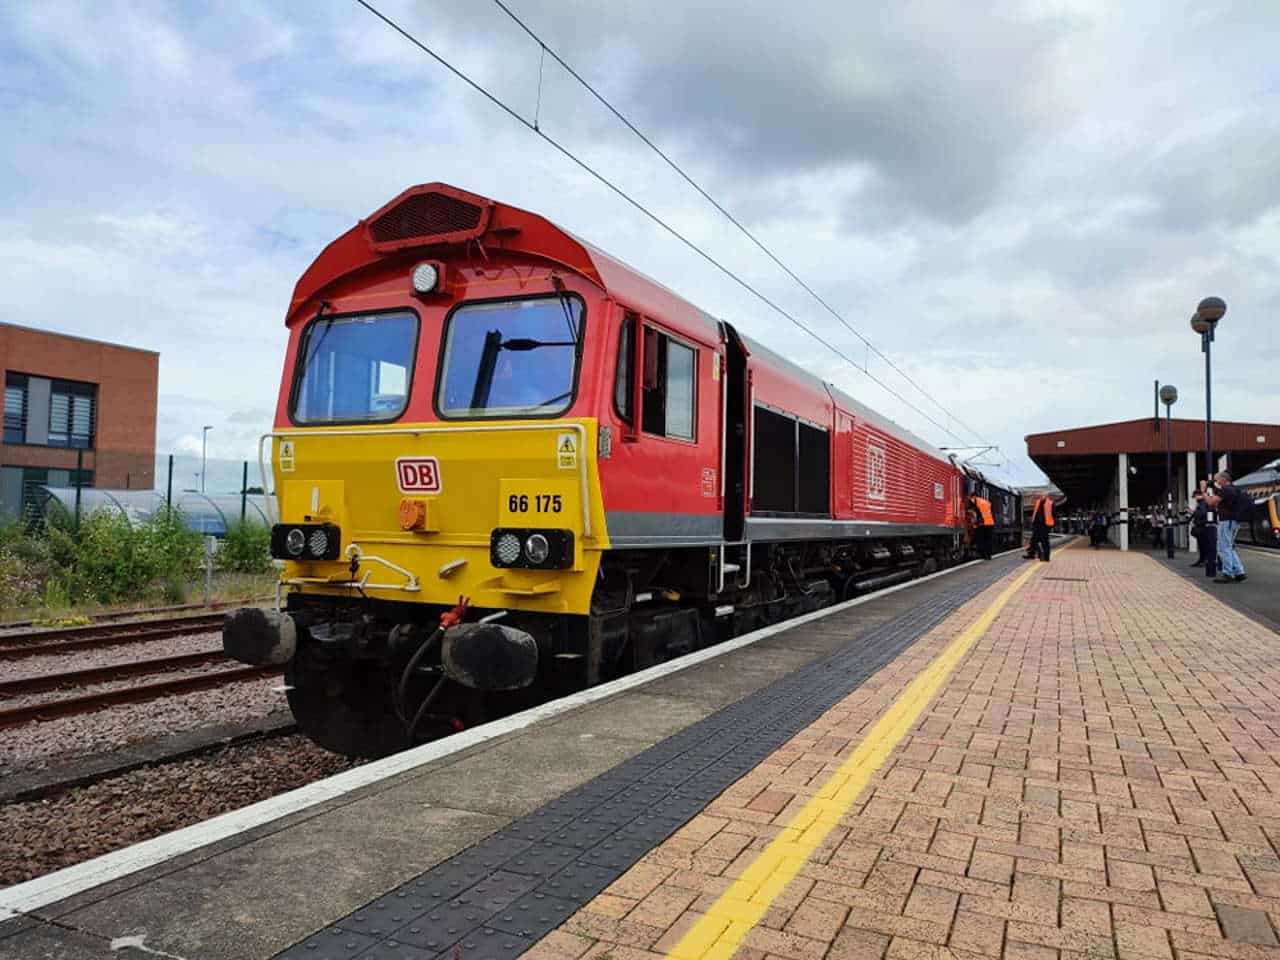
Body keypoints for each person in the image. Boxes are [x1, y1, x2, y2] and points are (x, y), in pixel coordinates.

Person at [1207, 471, 1248, 583]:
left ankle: (1228, 573)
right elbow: (1218, 502)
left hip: (1226, 521)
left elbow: (1211, 502)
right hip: (1234, 521)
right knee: (1229, 547)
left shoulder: (1226, 490)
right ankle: (1239, 572)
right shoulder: (1234, 489)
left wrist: (1204, 491)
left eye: (1217, 480)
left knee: (1223, 547)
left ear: (1223, 479)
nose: (1216, 482)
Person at [1025, 494, 1054, 561]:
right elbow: (1035, 511)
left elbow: (1054, 515)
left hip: (1045, 525)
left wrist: (1050, 526)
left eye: (1043, 495)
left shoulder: (1050, 503)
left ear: (1047, 496)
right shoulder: (1038, 502)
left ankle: (1046, 558)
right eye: (1041, 496)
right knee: (1033, 541)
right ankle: (1031, 555)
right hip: (1036, 525)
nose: (1041, 497)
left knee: (1044, 542)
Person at [969, 493, 994, 560]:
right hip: (990, 523)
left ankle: (983, 555)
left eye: (971, 498)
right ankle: (989, 555)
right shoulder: (985, 501)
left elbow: (978, 514)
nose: (971, 500)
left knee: (981, 540)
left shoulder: (976, 502)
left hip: (983, 523)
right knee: (988, 540)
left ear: (974, 497)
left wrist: (975, 524)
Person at [1189, 492, 1208, 566]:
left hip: (1202, 527)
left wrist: (1194, 513)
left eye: (1195, 496)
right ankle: (1202, 560)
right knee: (1202, 545)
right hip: (1202, 526)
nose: (1195, 498)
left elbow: (1203, 513)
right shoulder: (1201, 504)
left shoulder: (1202, 503)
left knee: (1203, 545)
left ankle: (1204, 560)